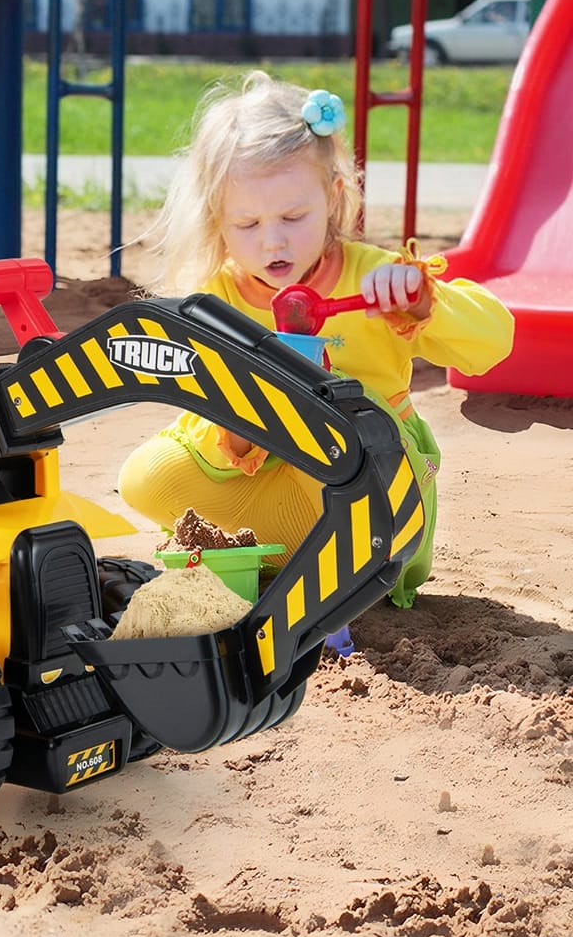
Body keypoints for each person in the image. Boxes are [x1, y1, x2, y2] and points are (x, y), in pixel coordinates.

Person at [117, 72, 513, 609]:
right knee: (146, 476)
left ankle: (353, 563)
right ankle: (278, 555)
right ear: (218, 220)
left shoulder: (379, 281)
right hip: (272, 474)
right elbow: (200, 408)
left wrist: (425, 305)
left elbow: (494, 342)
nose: (273, 240)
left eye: (294, 216)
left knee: (335, 429)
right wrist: (236, 427)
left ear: (333, 196)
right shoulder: (218, 297)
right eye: (248, 223)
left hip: (374, 490)